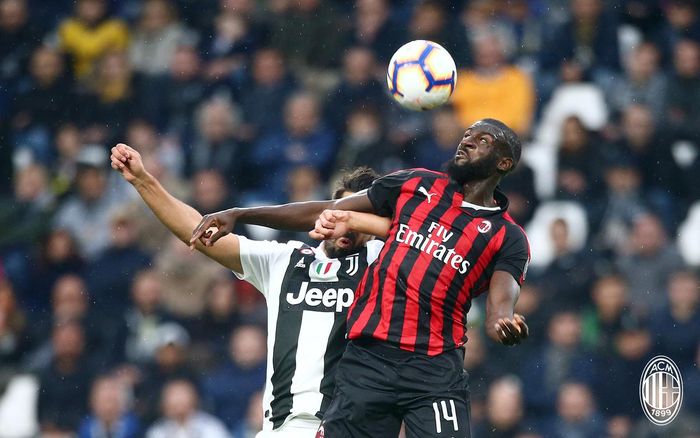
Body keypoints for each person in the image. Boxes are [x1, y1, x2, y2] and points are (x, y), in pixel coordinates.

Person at [188, 118, 531, 437]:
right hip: (369, 360)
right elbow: (327, 211)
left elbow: (501, 306)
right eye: (468, 134)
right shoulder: (417, 185)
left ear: (504, 163)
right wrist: (239, 213)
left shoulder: (507, 237)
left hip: (434, 369)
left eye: (483, 140)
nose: (468, 141)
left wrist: (504, 323)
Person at [110, 142, 384, 437]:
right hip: (280, 428)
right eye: (342, 211)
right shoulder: (286, 259)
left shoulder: (384, 266)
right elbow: (200, 231)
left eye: (358, 217)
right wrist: (143, 181)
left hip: (346, 427)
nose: (348, 223)